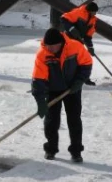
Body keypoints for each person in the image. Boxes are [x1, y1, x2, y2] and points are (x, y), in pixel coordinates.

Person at [31, 28, 92, 163]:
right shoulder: (43, 54)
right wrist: (40, 102)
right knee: (51, 120)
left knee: (74, 119)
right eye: (48, 46)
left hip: (72, 89)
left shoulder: (75, 46)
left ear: (61, 43)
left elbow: (86, 63)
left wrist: (79, 81)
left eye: (53, 46)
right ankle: (51, 149)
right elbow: (38, 80)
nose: (50, 49)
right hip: (53, 90)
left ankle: (76, 152)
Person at [60, 2, 99, 85]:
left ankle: (84, 78)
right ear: (89, 11)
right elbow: (63, 18)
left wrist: (90, 47)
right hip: (68, 40)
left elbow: (88, 36)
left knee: (84, 60)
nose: (95, 14)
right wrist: (71, 28)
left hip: (79, 42)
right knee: (68, 60)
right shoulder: (79, 12)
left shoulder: (92, 20)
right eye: (94, 12)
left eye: (96, 12)